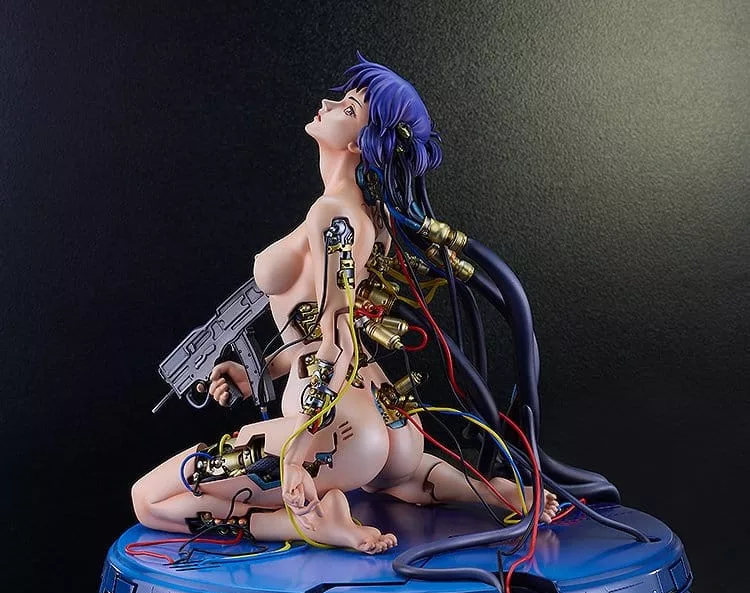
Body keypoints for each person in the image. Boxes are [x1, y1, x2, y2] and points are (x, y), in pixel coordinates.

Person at [131, 54, 559, 553]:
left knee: (150, 500)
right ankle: (493, 490)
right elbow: (327, 328)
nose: (327, 103)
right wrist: (260, 372)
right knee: (407, 479)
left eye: (348, 107)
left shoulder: (332, 214)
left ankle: (309, 524)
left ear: (360, 142)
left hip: (334, 431)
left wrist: (296, 455)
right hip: (390, 424)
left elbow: (337, 338)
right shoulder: (372, 214)